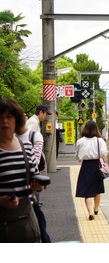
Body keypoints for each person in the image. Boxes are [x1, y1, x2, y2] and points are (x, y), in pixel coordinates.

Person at [0, 98, 47, 242]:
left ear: (17, 120)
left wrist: (37, 186)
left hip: (25, 219)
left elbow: (33, 176)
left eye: (9, 117)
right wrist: (1, 201)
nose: (5, 121)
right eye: (0, 117)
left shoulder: (26, 146)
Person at [75, 120, 107, 221]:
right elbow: (103, 153)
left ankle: (90, 212)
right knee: (97, 189)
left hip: (86, 166)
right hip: (96, 165)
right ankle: (96, 208)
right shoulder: (99, 140)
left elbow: (77, 156)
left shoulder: (80, 141)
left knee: (87, 191)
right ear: (96, 129)